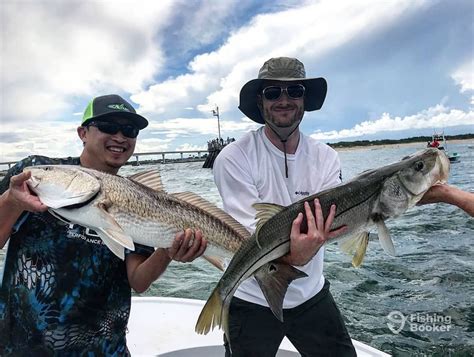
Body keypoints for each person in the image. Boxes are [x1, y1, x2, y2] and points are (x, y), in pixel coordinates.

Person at [0, 94, 207, 355]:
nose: (120, 137)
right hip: (24, 344)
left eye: (129, 130)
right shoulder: (34, 172)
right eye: (108, 127)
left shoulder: (139, 200)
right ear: (82, 132)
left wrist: (168, 250)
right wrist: (11, 200)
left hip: (106, 347)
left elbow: (139, 281)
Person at [213, 57, 356, 356]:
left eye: (294, 91)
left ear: (304, 98)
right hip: (252, 297)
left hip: (310, 293)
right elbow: (248, 239)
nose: (284, 100)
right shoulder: (233, 157)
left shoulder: (326, 157)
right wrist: (296, 255)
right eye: (273, 92)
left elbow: (334, 221)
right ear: (260, 100)